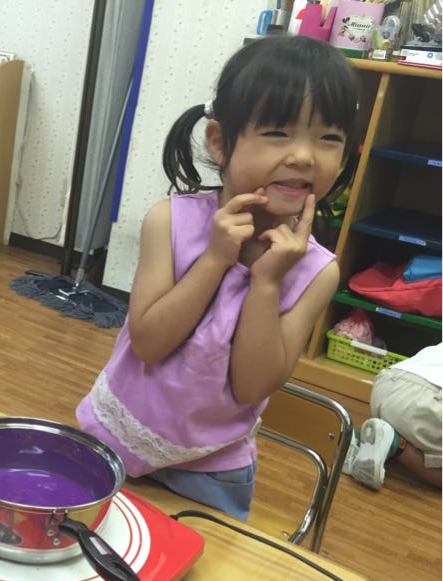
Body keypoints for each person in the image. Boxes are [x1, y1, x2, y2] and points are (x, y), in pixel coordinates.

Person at [77, 35, 359, 520]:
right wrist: (214, 260)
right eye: (278, 132)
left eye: (328, 138)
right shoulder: (169, 221)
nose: (304, 156)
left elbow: (251, 387)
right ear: (220, 142)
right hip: (118, 432)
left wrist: (267, 283)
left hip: (213, 468)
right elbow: (148, 342)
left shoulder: (318, 273)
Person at [345, 343, 441, 491]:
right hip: (429, 402)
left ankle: (360, 441)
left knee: (411, 424)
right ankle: (396, 444)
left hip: (387, 383)